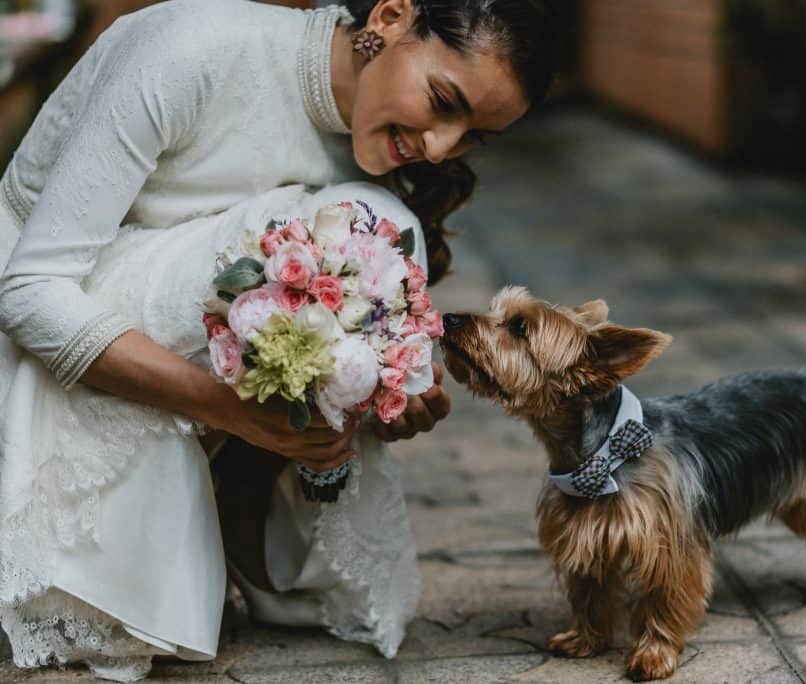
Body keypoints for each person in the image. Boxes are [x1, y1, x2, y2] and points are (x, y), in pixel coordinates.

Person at [0, 0, 557, 680]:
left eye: (472, 137)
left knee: (376, 243)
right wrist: (230, 409)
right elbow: (29, 291)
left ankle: (240, 492)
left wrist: (379, 391)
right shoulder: (188, 50)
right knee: (361, 227)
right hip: (35, 319)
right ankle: (179, 504)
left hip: (158, 323)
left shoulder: (372, 140)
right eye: (443, 102)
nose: (441, 148)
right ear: (388, 18)